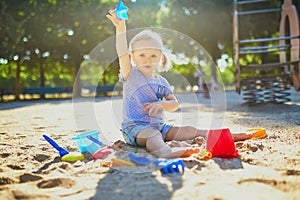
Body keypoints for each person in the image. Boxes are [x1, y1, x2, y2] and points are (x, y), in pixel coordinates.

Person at [106, 8, 255, 158]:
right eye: (142, 55)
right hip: (135, 129)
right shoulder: (131, 74)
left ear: (160, 57)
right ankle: (165, 152)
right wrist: (120, 28)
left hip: (160, 127)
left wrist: (162, 104)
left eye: (153, 55)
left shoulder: (162, 82)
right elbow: (122, 53)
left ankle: (230, 135)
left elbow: (174, 104)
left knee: (189, 130)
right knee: (153, 136)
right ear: (132, 56)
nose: (147, 59)